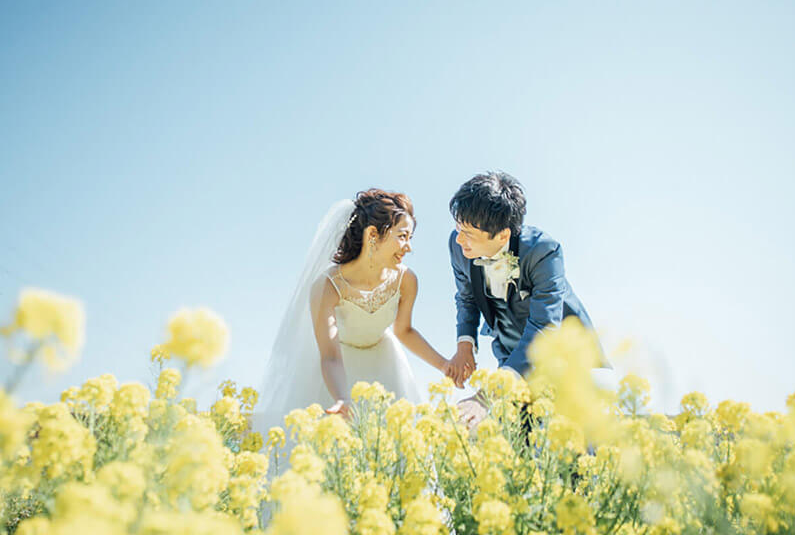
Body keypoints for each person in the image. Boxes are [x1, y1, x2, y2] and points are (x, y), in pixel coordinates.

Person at [255, 189, 452, 431]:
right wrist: (342, 398)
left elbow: (404, 331)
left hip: (386, 367)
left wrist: (444, 365)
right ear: (372, 235)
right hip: (338, 373)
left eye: (410, 237)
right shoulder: (327, 286)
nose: (408, 247)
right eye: (402, 236)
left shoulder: (407, 280)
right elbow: (329, 355)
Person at [444, 171, 609, 430]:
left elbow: (544, 327)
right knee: (518, 435)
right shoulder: (458, 246)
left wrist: (486, 395)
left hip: (560, 352)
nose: (459, 239)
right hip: (509, 350)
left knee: (571, 440)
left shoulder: (544, 251)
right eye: (458, 228)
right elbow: (466, 296)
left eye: (469, 233)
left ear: (501, 235)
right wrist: (465, 344)